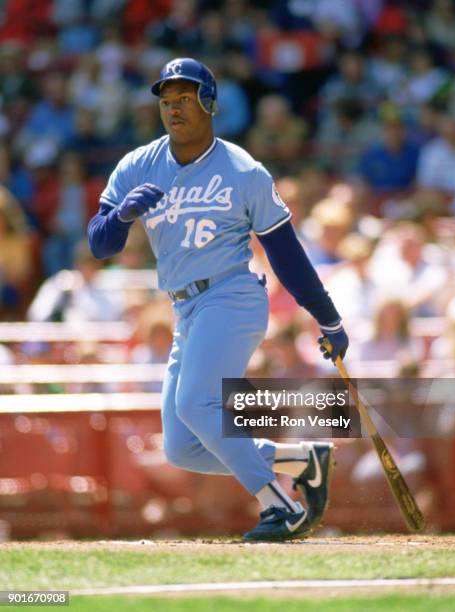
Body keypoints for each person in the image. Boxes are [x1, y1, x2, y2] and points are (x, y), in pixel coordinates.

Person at [88, 58, 349, 542]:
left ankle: (280, 505)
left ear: (209, 103)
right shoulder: (138, 165)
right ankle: (302, 459)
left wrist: (329, 320)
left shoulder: (243, 170)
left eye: (184, 99)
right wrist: (121, 216)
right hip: (185, 310)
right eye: (166, 101)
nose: (173, 109)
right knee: (182, 448)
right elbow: (100, 245)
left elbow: (287, 255)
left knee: (196, 402)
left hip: (232, 296)